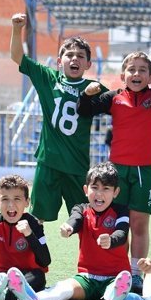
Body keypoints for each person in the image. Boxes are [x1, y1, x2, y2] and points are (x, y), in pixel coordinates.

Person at [78, 52, 151, 291]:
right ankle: (118, 271)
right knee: (119, 222)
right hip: (116, 172)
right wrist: (85, 95)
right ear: (122, 75)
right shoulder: (114, 98)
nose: (136, 74)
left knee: (139, 223)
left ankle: (136, 274)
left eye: (142, 70)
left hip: (144, 171)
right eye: (131, 69)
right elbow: (85, 110)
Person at [9, 161, 134, 300]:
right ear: (86, 190)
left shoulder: (121, 211)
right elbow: (75, 220)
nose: (99, 194)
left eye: (106, 189)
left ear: (115, 192)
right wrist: (68, 228)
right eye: (94, 188)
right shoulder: (81, 209)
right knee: (63, 289)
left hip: (116, 277)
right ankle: (33, 299)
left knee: (114, 289)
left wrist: (111, 239)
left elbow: (121, 233)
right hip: (87, 277)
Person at [10, 12, 95, 222]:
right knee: (36, 218)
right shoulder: (48, 78)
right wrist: (16, 29)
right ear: (59, 61)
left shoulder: (94, 88)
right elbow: (17, 57)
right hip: (48, 162)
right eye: (69, 55)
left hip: (77, 166)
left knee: (84, 220)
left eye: (80, 56)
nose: (74, 59)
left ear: (88, 64)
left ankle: (88, 257)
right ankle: (34, 255)